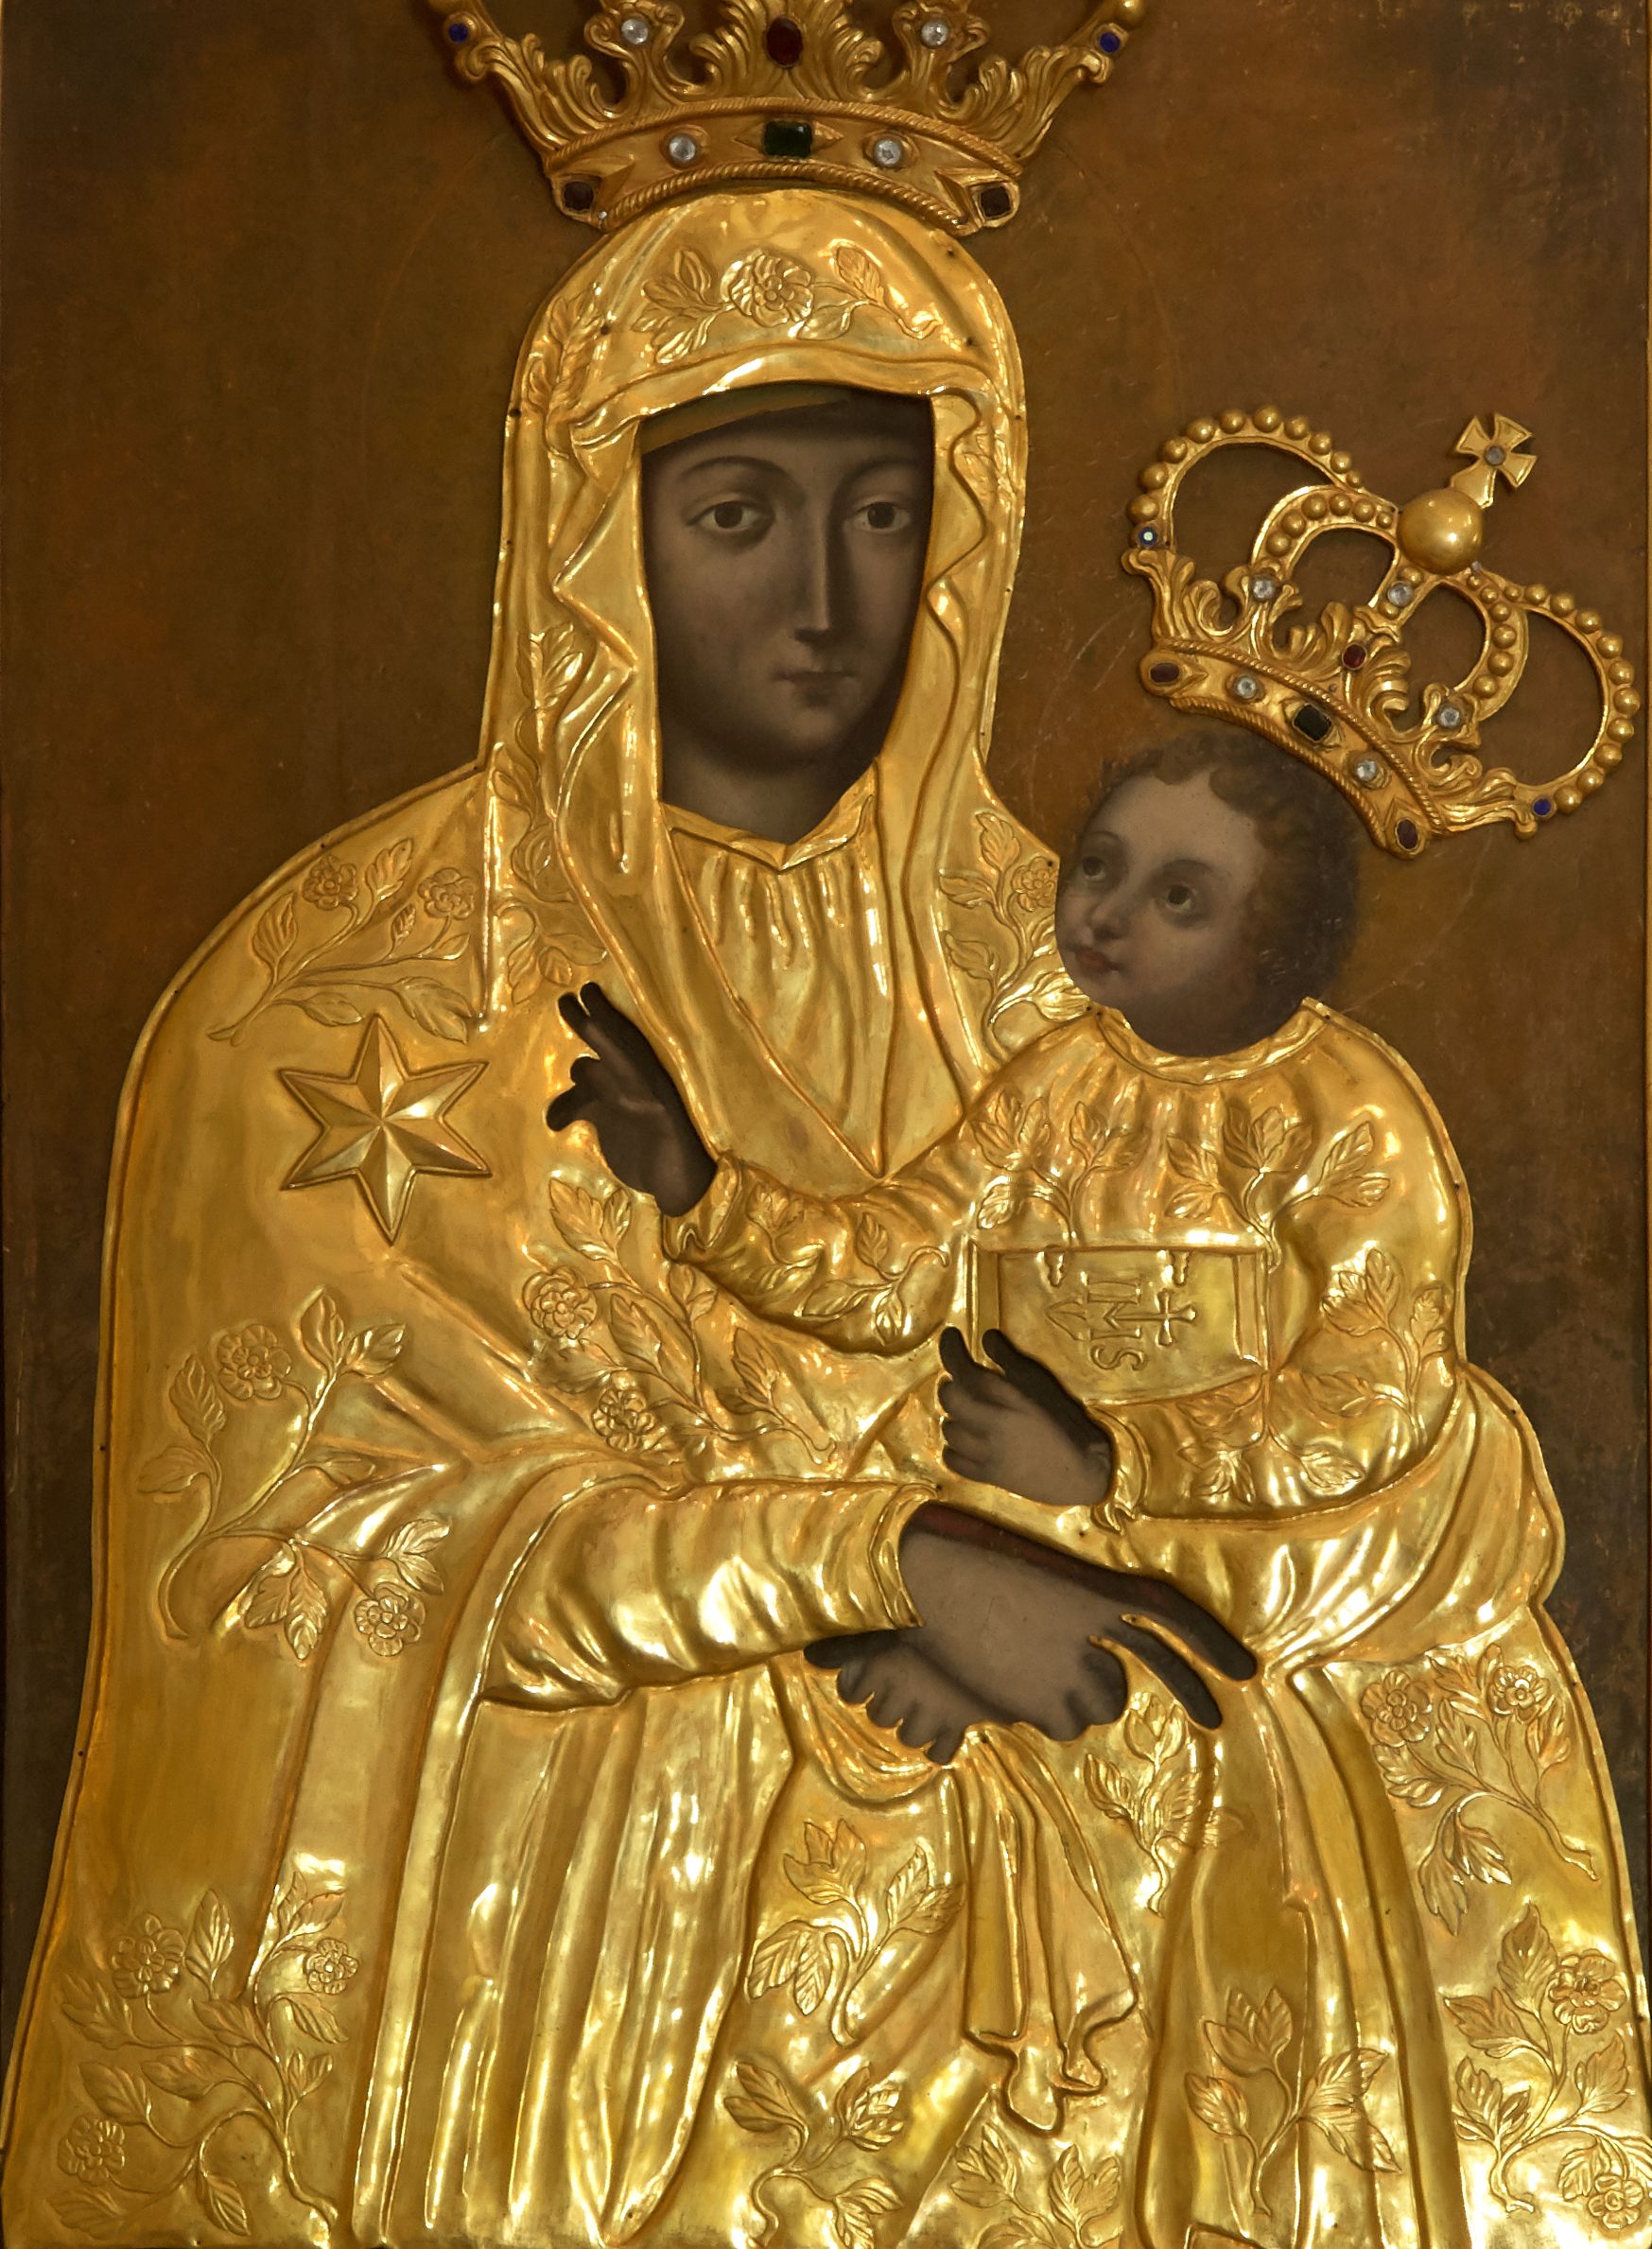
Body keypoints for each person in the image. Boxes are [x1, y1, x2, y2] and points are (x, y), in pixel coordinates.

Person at [1, 190, 1246, 2249]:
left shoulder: (1071, 989)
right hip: (551, 2053)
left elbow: (1244, 1478)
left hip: (1010, 2056)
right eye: (739, 514)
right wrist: (881, 1557)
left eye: (884, 513)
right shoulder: (345, 997)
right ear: (594, 533)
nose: (829, 600)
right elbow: (316, 1587)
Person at [557, 724, 1652, 2244]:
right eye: (1101, 869)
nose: (1111, 915)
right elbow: (895, 1268)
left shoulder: (1349, 1115)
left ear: (1281, 937)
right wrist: (700, 1185)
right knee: (848, 1874)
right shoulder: (1057, 1081)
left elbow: (1374, 1395)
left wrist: (1119, 1461)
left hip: (1262, 1592)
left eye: (1180, 896)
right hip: (1021, 1559)